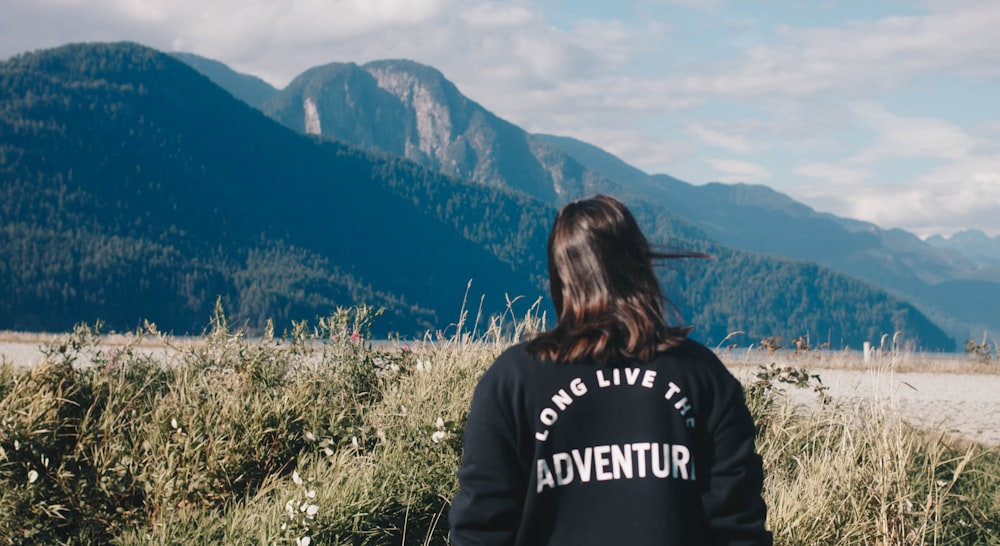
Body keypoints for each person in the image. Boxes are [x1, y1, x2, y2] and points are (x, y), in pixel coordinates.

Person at [449, 194, 772, 545]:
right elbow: (739, 527)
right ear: (638, 265)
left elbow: (480, 529)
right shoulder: (702, 375)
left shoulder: (512, 381)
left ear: (560, 276)